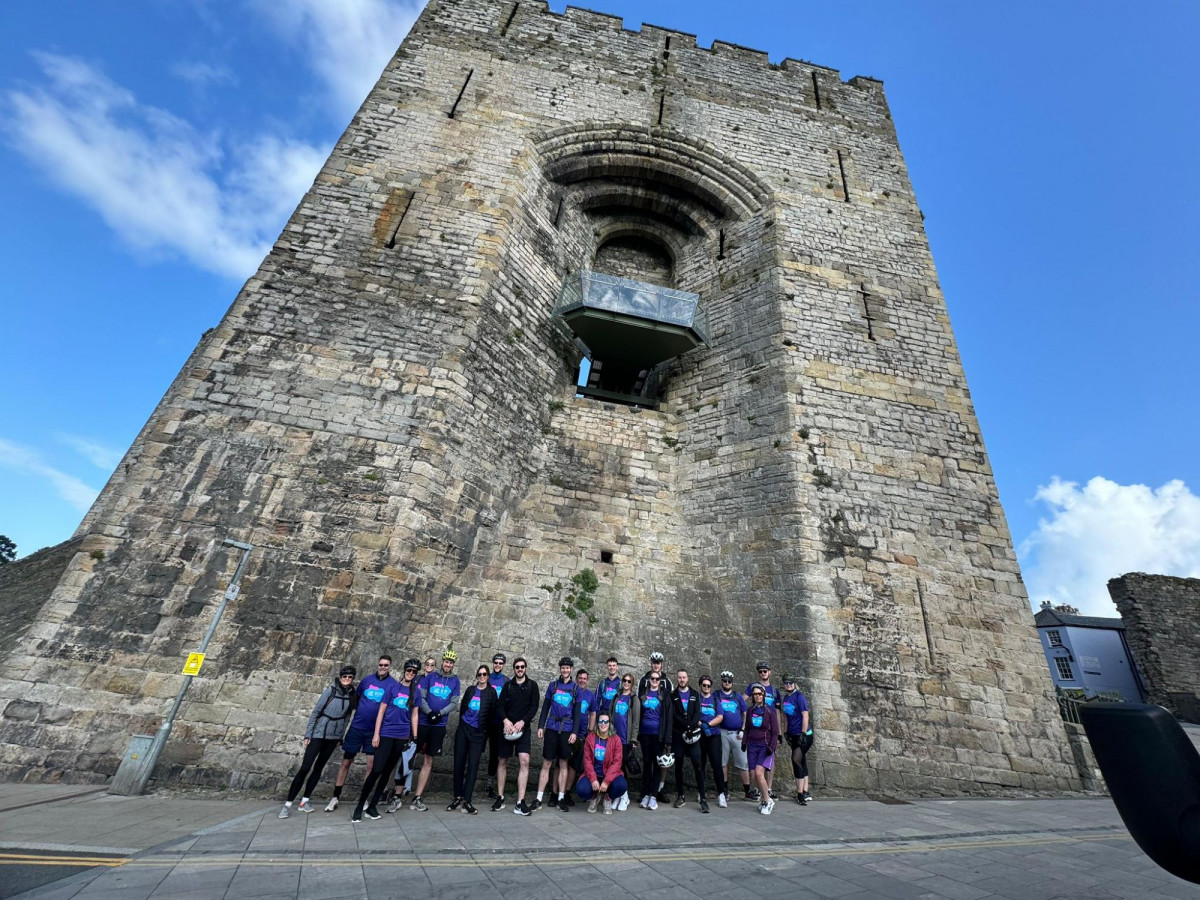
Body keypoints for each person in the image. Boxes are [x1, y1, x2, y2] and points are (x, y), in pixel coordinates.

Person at [280, 665, 358, 818]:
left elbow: (347, 717)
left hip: (333, 737)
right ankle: (288, 804)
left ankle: (305, 800)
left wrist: (340, 736)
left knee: (318, 768)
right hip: (318, 734)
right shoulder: (330, 691)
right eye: (344, 676)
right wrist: (308, 734)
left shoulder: (352, 695)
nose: (347, 679)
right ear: (340, 677)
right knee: (305, 768)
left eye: (350, 677)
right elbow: (316, 712)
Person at [352, 658, 420, 823]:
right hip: (386, 733)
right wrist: (376, 734)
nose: (410, 673)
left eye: (414, 672)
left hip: (401, 736)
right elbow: (381, 712)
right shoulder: (392, 687)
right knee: (376, 769)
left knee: (387, 772)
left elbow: (415, 715)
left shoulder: (416, 692)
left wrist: (415, 737)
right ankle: (360, 806)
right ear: (404, 670)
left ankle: (373, 806)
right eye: (408, 670)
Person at [327, 655, 392, 812]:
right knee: (346, 762)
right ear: (378, 665)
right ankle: (335, 797)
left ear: (390, 667)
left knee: (370, 765)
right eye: (381, 664)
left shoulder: (392, 685)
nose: (383, 667)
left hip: (374, 731)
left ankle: (364, 799)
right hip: (357, 727)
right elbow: (355, 700)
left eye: (386, 665)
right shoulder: (367, 680)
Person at [411, 649, 461, 811]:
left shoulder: (455, 681)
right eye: (446, 661)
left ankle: (417, 796)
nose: (448, 664)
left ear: (453, 665)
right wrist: (428, 712)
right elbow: (421, 696)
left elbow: (454, 702)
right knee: (410, 755)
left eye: (451, 662)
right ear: (442, 662)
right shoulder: (431, 676)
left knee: (428, 759)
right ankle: (396, 792)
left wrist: (440, 713)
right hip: (423, 721)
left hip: (439, 724)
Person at [448, 665, 497, 815]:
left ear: (488, 676)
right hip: (464, 729)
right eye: (479, 674)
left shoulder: (491, 693)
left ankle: (467, 800)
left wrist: (484, 733)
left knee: (473, 766)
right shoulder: (470, 690)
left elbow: (492, 715)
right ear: (476, 676)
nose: (482, 677)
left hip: (478, 733)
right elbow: (463, 709)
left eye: (484, 674)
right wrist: (463, 726)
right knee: (458, 763)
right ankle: (457, 796)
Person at [534, 657, 580, 812]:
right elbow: (545, 707)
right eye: (563, 667)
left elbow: (577, 713)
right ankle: (539, 798)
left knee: (563, 764)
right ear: (560, 669)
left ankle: (561, 797)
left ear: (571, 669)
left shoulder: (575, 689)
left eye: (568, 668)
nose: (565, 670)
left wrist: (574, 732)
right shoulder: (553, 686)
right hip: (552, 727)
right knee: (547, 763)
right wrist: (541, 726)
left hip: (566, 729)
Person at [500, 657, 539, 815]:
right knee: (502, 761)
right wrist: (506, 721)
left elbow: (534, 707)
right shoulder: (508, 686)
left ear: (525, 668)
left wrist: (523, 721)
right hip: (508, 729)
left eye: (522, 666)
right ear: (514, 669)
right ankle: (500, 797)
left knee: (524, 761)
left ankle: (520, 802)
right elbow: (500, 706)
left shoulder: (532, 686)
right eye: (517, 667)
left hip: (523, 729)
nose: (520, 669)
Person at [670, 669, 706, 812]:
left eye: (684, 677)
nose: (682, 680)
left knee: (698, 766)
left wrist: (691, 726)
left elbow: (698, 713)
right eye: (680, 677)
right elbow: (673, 715)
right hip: (679, 735)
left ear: (688, 678)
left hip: (693, 736)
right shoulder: (673, 695)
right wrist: (686, 725)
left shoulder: (695, 694)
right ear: (677, 679)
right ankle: (681, 795)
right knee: (678, 766)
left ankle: (703, 798)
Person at [745, 661, 782, 798]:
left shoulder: (775, 691)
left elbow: (778, 712)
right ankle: (759, 789)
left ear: (769, 672)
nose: (763, 673)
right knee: (756, 766)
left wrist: (779, 734)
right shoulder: (753, 687)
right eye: (760, 671)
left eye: (765, 671)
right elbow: (742, 701)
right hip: (756, 728)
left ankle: (769, 788)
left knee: (769, 760)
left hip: (770, 730)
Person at [578, 712, 627, 814]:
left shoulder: (616, 739)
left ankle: (607, 799)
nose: (603, 724)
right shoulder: (590, 738)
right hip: (594, 774)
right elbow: (587, 760)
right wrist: (593, 779)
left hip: (609, 775)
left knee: (621, 786)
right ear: (597, 723)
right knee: (581, 789)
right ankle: (594, 797)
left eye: (606, 722)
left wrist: (606, 781)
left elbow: (617, 763)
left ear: (610, 724)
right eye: (600, 721)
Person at [716, 670, 754, 802]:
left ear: (732, 683)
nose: (727, 683)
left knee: (743, 762)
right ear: (722, 682)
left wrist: (743, 729)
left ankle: (747, 791)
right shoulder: (716, 695)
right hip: (722, 732)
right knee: (723, 762)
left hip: (737, 733)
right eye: (724, 681)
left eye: (729, 681)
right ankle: (724, 790)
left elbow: (745, 713)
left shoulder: (737, 696)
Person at [741, 684, 779, 815]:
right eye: (755, 694)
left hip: (765, 746)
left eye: (760, 694)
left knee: (759, 773)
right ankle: (764, 797)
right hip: (752, 746)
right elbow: (747, 729)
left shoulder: (770, 711)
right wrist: (744, 742)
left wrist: (771, 747)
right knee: (753, 775)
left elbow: (775, 732)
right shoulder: (750, 710)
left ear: (763, 695)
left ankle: (768, 800)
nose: (757, 696)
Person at [637, 670, 672, 809]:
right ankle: (646, 793)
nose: (655, 681)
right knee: (646, 763)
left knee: (657, 765)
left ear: (660, 681)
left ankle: (654, 796)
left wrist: (667, 738)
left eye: (657, 679)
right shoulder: (643, 694)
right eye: (652, 678)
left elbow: (668, 718)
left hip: (658, 735)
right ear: (649, 679)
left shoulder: (664, 695)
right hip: (645, 734)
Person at [564, 668, 597, 808]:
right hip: (567, 731)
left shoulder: (590, 695)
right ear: (576, 679)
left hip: (582, 735)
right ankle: (558, 792)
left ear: (587, 680)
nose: (582, 680)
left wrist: (590, 730)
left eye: (585, 678)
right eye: (580, 678)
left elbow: (593, 713)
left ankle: (567, 792)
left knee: (574, 765)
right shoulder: (571, 691)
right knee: (563, 763)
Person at [608, 672, 639, 811]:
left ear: (632, 684)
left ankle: (624, 796)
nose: (626, 683)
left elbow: (636, 721)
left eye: (629, 681)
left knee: (622, 767)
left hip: (626, 740)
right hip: (614, 738)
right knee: (615, 767)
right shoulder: (616, 696)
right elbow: (610, 715)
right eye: (624, 681)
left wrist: (633, 739)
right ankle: (618, 795)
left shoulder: (634, 699)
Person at [697, 675, 728, 809]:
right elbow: (693, 715)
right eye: (704, 685)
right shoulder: (696, 699)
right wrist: (701, 725)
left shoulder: (715, 700)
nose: (706, 687)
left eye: (708, 685)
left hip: (713, 735)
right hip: (700, 735)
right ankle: (701, 792)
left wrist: (708, 724)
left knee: (717, 765)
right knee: (700, 765)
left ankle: (721, 794)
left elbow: (720, 717)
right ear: (700, 685)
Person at [781, 674, 813, 804]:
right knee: (801, 760)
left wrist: (803, 734)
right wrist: (785, 732)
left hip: (804, 735)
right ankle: (805, 791)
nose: (788, 685)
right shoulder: (786, 698)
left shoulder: (799, 697)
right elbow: (786, 717)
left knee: (796, 760)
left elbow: (805, 716)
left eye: (791, 683)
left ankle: (800, 794)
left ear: (794, 683)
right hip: (792, 734)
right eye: (786, 683)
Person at [484, 652, 509, 800]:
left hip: (498, 723)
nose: (498, 665)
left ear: (503, 665)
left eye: (500, 663)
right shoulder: (486, 677)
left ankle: (489, 784)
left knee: (495, 754)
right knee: (476, 751)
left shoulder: (506, 681)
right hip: (484, 721)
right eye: (496, 663)